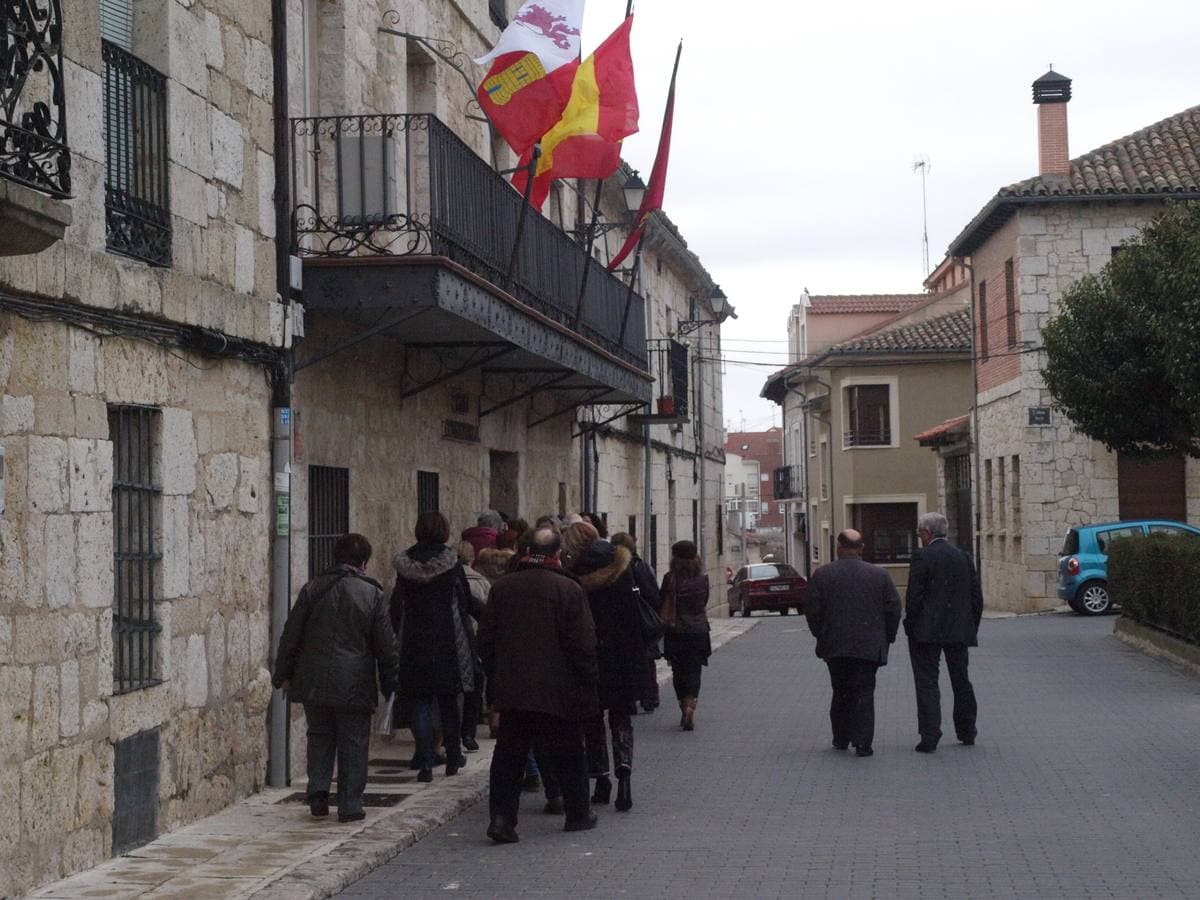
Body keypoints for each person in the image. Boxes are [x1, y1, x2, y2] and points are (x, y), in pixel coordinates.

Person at [478, 526, 599, 842]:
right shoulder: (568, 590)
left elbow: (486, 641)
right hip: (560, 690)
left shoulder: (503, 589)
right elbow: (583, 644)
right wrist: (588, 683)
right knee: (570, 753)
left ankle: (502, 820)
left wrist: (498, 677)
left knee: (509, 756)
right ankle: (578, 813)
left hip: (514, 690)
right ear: (558, 554)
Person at [273, 533, 398, 822]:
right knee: (353, 741)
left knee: (319, 734)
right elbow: (386, 644)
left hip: (314, 677)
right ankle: (350, 804)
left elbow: (291, 635)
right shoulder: (372, 594)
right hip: (354, 680)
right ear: (364, 561)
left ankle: (318, 791)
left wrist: (283, 674)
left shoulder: (312, 589)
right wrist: (391, 679)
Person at [562, 522, 643, 812]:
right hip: (622, 656)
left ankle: (602, 781)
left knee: (592, 720)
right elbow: (634, 615)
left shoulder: (575, 572)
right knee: (621, 718)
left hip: (591, 655)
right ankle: (625, 773)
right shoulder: (622, 565)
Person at [392, 511, 476, 782]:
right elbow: (463, 603)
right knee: (449, 702)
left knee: (419, 702)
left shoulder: (405, 566)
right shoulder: (452, 563)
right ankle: (452, 757)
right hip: (447, 639)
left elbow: (397, 605)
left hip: (414, 641)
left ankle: (425, 761)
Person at [804, 529, 902, 758]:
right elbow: (893, 609)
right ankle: (863, 742)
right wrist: (887, 636)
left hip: (835, 644)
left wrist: (821, 634)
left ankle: (841, 736)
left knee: (840, 690)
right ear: (862, 548)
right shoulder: (879, 575)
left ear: (838, 547)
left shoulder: (823, 575)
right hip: (869, 645)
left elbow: (812, 610)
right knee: (865, 692)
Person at [904, 511, 984, 753]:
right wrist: (971, 625)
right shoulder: (963, 557)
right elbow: (976, 597)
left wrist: (911, 624)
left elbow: (914, 597)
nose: (919, 537)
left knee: (927, 682)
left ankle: (930, 735)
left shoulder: (922, 557)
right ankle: (967, 730)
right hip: (959, 629)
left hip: (926, 631)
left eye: (919, 533)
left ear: (927, 533)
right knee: (961, 680)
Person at [660, 540, 711, 730]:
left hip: (676, 630)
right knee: (694, 670)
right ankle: (691, 703)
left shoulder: (670, 578)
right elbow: (704, 602)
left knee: (678, 670)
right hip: (698, 630)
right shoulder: (702, 578)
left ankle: (683, 704)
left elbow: (662, 601)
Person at [611, 532, 661, 713]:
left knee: (628, 661)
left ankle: (631, 699)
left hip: (624, 620)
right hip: (641, 619)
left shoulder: (616, 568)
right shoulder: (642, 566)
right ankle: (650, 696)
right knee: (647, 660)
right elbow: (653, 594)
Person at [457, 541, 490, 753]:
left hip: (454, 638)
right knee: (474, 688)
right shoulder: (482, 582)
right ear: (472, 559)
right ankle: (468, 732)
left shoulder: (448, 579)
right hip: (474, 639)